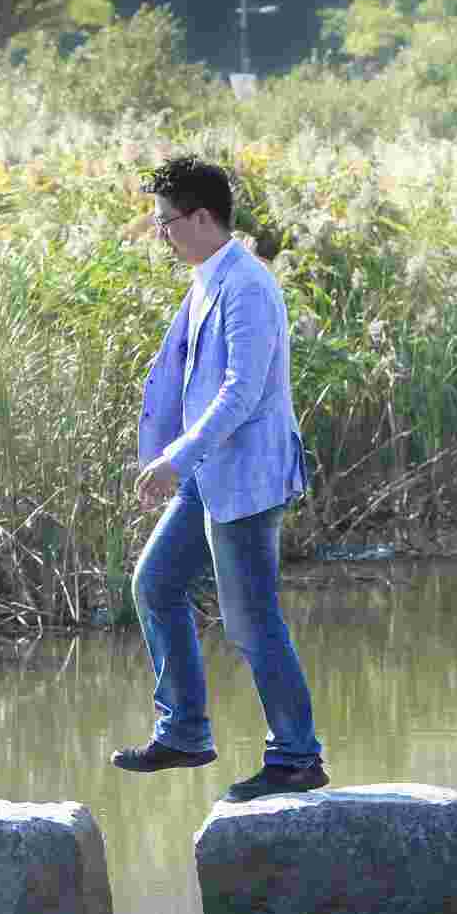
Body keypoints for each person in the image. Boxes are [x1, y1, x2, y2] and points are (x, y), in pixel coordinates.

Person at [109, 154, 327, 804]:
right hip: (209, 471)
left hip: (247, 475)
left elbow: (242, 391)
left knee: (251, 620)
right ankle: (184, 732)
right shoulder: (207, 278)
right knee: (156, 583)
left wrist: (177, 457)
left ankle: (297, 756)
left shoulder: (247, 286)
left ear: (203, 217)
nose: (160, 234)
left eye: (167, 221)